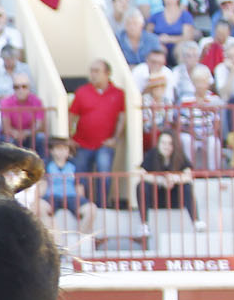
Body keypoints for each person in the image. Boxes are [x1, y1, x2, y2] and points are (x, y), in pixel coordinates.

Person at [67, 59, 125, 202]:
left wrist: (115, 138)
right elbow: (72, 116)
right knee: (80, 175)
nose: (93, 75)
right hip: (82, 143)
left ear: (108, 74)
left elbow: (121, 118)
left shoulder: (118, 93)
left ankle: (102, 206)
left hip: (104, 144)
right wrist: (69, 138)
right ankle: (82, 205)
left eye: (97, 71)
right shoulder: (82, 92)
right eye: (91, 71)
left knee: (104, 174)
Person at [137, 128, 201, 233]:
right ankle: (144, 224)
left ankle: (196, 221)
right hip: (157, 197)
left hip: (175, 198)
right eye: (163, 143)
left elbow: (188, 175)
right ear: (159, 143)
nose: (166, 146)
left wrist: (174, 179)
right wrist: (160, 180)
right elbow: (142, 173)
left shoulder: (179, 155)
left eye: (169, 143)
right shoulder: (153, 154)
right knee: (141, 186)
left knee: (187, 186)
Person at [35, 137, 97, 236]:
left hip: (71, 196)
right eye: (58, 149)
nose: (62, 152)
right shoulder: (46, 164)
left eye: (65, 149)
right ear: (52, 151)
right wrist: (38, 199)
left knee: (91, 209)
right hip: (51, 196)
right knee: (39, 206)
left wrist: (81, 200)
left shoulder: (75, 165)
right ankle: (54, 238)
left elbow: (79, 186)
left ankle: (80, 237)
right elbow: (43, 185)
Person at [0, 71, 46, 155]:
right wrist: (16, 134)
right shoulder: (6, 102)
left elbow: (39, 126)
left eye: (24, 86)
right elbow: (6, 127)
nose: (20, 90)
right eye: (16, 87)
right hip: (13, 135)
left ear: (29, 88)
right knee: (7, 141)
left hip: (30, 134)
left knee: (41, 138)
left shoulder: (36, 101)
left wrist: (26, 133)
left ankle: (41, 165)